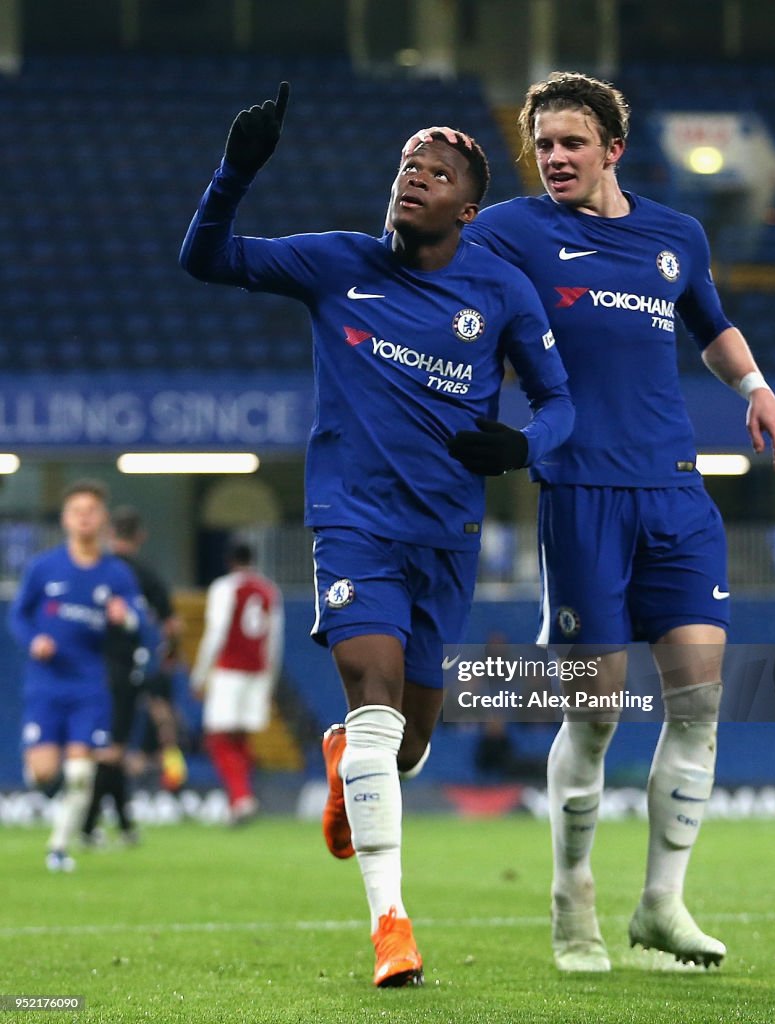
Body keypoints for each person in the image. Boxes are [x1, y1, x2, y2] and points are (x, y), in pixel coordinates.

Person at [399, 71, 775, 972]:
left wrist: (757, 390)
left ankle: (661, 904)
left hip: (674, 493)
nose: (554, 159)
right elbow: (445, 286)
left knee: (698, 703)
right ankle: (570, 903)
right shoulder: (510, 231)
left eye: (571, 143)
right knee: (594, 716)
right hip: (579, 497)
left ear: (612, 149)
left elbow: (712, 323)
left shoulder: (674, 235)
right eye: (542, 145)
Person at [180, 81, 574, 987]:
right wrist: (234, 172)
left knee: (405, 746)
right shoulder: (335, 263)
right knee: (376, 705)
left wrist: (522, 445)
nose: (412, 180)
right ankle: (390, 926)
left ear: (466, 208)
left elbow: (560, 403)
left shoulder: (501, 290)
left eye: (434, 174)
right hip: (355, 526)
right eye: (405, 167)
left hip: (447, 538)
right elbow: (205, 258)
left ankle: (344, 761)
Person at [7, 479, 145, 872]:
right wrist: (34, 640)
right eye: (76, 511)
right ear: (66, 519)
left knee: (82, 767)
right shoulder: (43, 567)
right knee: (44, 772)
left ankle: (59, 846)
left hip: (89, 684)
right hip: (46, 683)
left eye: (92, 511)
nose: (84, 518)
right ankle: (48, 789)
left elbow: (139, 620)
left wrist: (126, 616)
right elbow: (18, 615)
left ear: (103, 520)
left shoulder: (116, 573)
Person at [81, 505, 186, 847]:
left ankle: (115, 825)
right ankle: (90, 826)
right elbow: (172, 625)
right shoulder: (145, 575)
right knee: (113, 748)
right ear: (140, 536)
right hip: (123, 668)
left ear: (111, 534)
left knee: (109, 749)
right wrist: (168, 653)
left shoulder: (99, 569)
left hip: (84, 666)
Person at [190, 541, 284, 825]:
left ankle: (241, 796)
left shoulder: (224, 588)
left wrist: (200, 675)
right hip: (258, 671)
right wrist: (270, 680)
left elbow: (217, 631)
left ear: (229, 561)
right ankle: (241, 800)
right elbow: (274, 641)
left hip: (229, 670)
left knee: (218, 737)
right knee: (241, 737)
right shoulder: (269, 590)